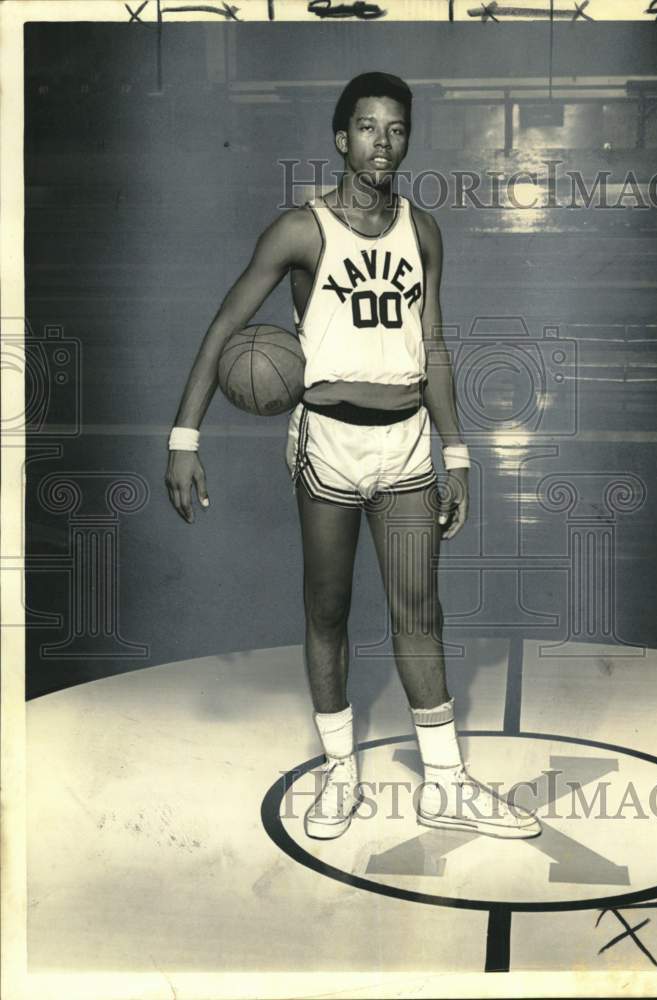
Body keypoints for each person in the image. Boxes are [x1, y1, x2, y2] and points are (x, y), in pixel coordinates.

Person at [165, 72, 541, 842]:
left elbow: (431, 344)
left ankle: (444, 783)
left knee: (418, 613)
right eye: (367, 127)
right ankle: (340, 773)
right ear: (341, 139)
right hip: (328, 444)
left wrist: (458, 450)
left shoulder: (423, 230)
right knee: (328, 610)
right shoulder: (300, 230)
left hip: (404, 444)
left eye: (396, 129)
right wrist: (184, 437)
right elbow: (222, 327)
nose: (383, 142)